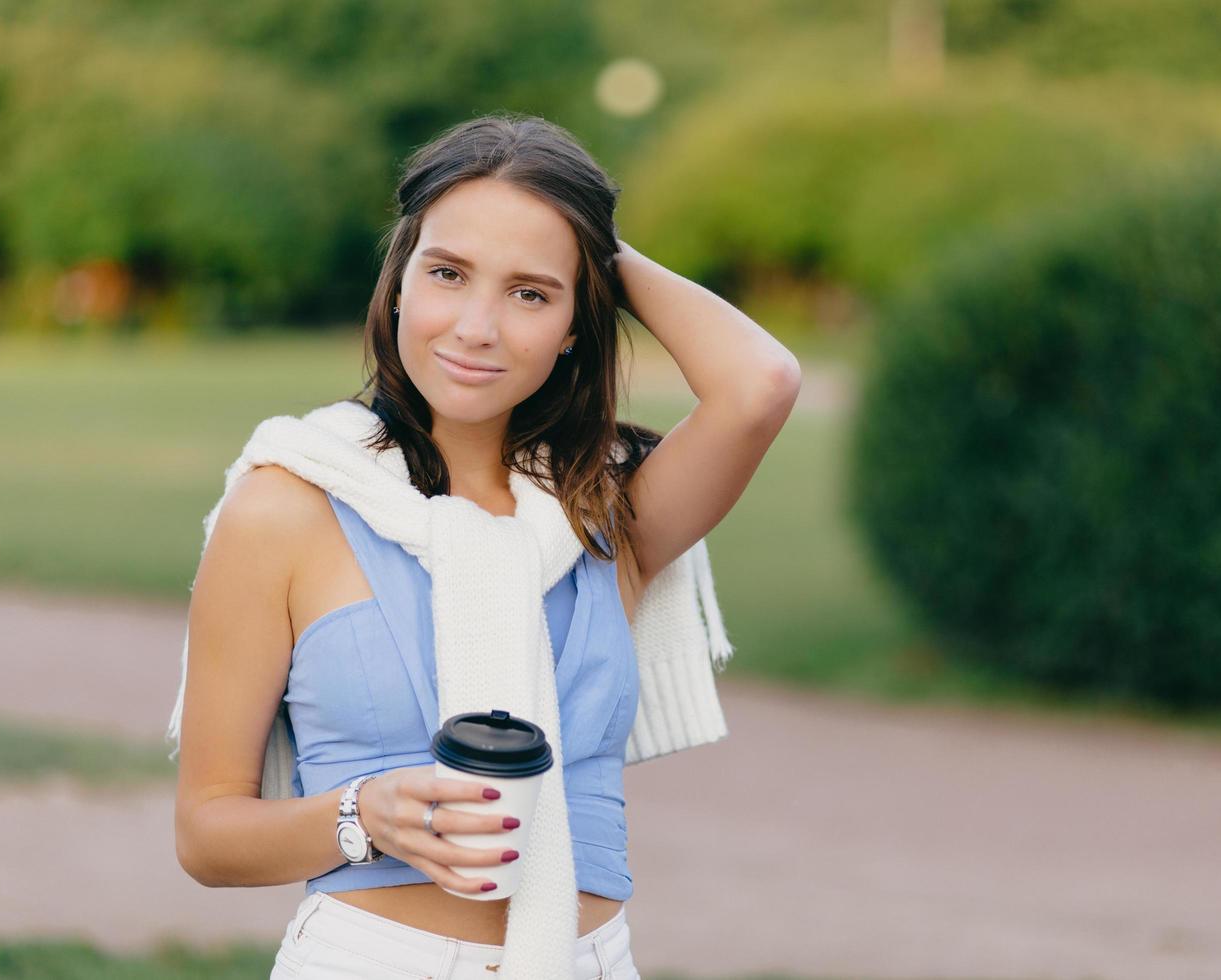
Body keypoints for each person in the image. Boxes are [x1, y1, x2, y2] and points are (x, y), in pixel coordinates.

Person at [170, 113, 801, 979]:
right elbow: (207, 834)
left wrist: (589, 242)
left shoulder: (602, 512)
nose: (475, 326)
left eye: (531, 293)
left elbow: (759, 384)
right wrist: (363, 814)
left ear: (578, 321)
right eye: (447, 273)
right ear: (399, 283)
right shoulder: (287, 503)